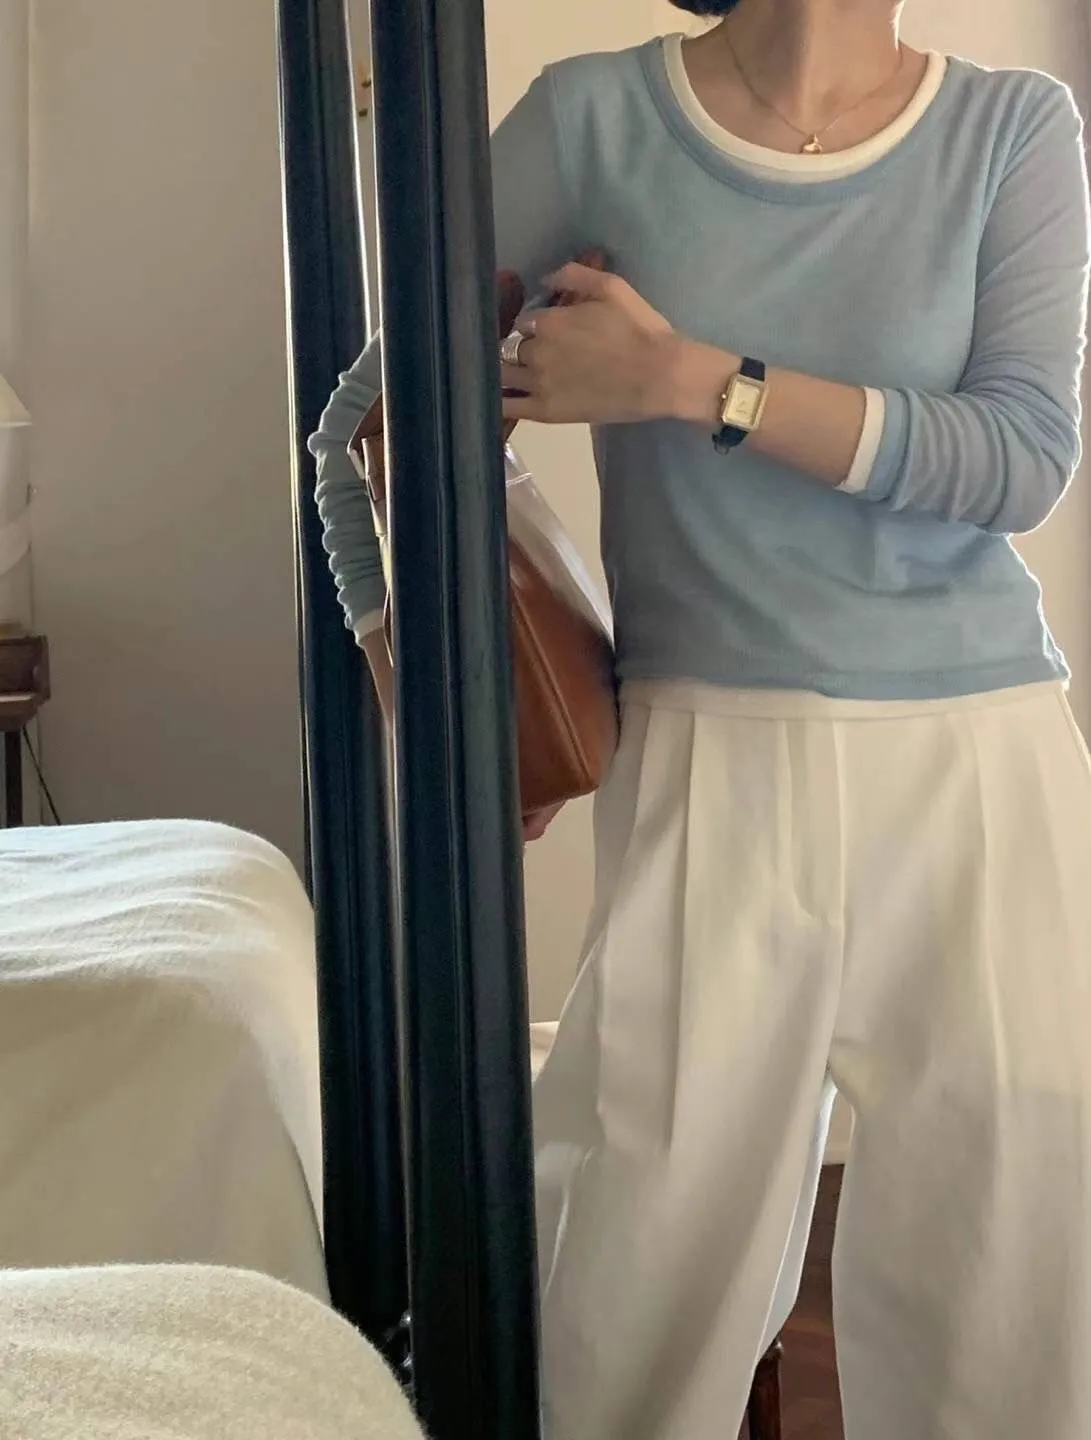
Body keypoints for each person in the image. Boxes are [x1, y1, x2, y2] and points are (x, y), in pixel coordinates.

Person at [310, 0, 1091, 1435]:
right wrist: (411, 687)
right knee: (630, 1302)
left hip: (980, 759)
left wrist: (693, 384)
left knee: (1004, 1312)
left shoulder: (1008, 129)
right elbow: (359, 427)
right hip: (707, 751)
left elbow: (1021, 460)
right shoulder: (593, 122)